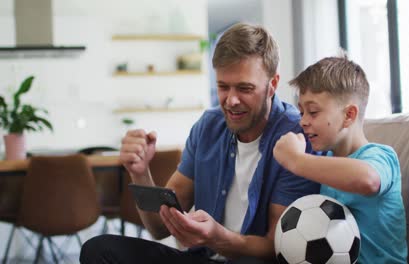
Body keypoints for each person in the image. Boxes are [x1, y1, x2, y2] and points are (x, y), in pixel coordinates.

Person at [80, 23, 320, 264]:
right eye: (223, 87)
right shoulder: (208, 127)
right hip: (203, 258)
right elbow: (160, 228)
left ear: (273, 85)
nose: (232, 100)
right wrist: (140, 173)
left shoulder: (296, 138)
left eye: (245, 88)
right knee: (99, 249)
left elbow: (277, 247)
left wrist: (218, 238)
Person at [273, 56, 407, 263]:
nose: (303, 121)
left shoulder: (381, 156)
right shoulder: (326, 159)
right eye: (301, 112)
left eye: (313, 112)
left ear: (349, 115)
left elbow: (368, 180)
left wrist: (296, 160)